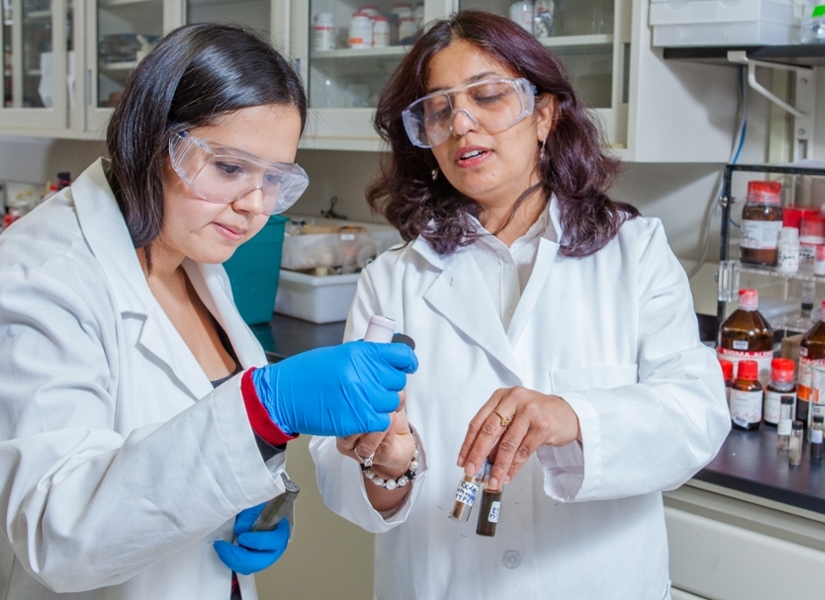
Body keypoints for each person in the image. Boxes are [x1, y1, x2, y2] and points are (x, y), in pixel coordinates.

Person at [0, 24, 416, 600]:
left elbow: (194, 450)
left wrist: (254, 501)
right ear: (151, 140)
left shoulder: (192, 260)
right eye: (230, 168)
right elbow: (55, 533)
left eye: (274, 178)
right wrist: (264, 409)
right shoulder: (36, 285)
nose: (255, 206)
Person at [311, 10, 730, 600]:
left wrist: (574, 417)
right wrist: (388, 464)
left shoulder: (635, 254)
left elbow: (697, 414)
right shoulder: (391, 281)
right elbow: (341, 470)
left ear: (544, 115)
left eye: (487, 97)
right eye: (438, 109)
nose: (461, 122)